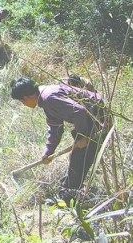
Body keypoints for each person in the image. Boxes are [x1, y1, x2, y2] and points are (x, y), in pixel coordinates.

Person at [10, 77, 109, 205]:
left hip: (98, 118)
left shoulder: (49, 97)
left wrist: (83, 137)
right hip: (90, 118)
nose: (24, 105)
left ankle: (67, 198)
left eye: (21, 102)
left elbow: (79, 112)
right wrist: (48, 152)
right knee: (78, 158)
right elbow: (55, 127)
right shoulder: (45, 99)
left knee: (79, 159)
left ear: (26, 98)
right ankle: (68, 192)